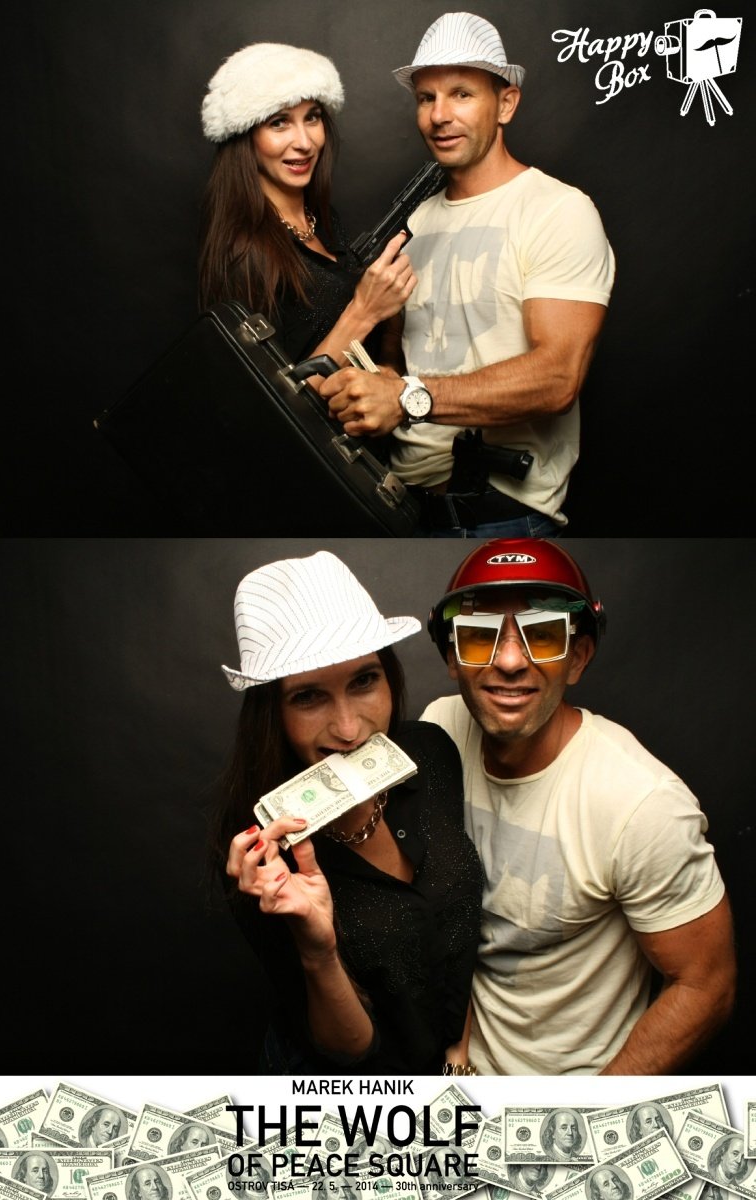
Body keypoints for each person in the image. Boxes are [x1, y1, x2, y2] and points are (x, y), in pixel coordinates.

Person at [422, 537, 736, 1073]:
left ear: (578, 658)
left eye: (543, 635)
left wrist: (588, 1110)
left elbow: (707, 986)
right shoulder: (440, 733)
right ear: (453, 657)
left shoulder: (640, 803)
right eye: (478, 636)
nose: (509, 661)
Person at [319, 12, 616, 536]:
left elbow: (557, 379)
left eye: (461, 94)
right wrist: (377, 383)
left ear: (506, 104)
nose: (439, 115)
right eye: (426, 98)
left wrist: (405, 397)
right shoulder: (415, 223)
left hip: (502, 517)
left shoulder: (559, 210)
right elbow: (399, 360)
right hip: (404, 508)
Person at [211, 549, 483, 1073]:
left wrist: (459, 1055)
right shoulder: (261, 856)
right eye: (309, 697)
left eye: (363, 681)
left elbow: (458, 925)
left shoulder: (429, 752)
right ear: (272, 713)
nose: (350, 728)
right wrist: (318, 951)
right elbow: (349, 1052)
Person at [198, 42, 416, 367]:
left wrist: (392, 321)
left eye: (312, 117)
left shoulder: (323, 222)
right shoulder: (244, 253)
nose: (305, 142)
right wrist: (364, 311)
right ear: (245, 138)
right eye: (279, 122)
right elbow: (272, 394)